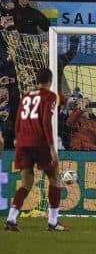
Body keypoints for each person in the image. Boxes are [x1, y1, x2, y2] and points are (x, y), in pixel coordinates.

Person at [5, 69, 67, 232]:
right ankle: (53, 222)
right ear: (50, 81)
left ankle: (11, 218)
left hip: (22, 142)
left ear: (37, 80)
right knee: (55, 178)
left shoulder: (26, 96)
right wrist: (52, 147)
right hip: (39, 142)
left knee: (26, 182)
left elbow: (17, 119)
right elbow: (46, 121)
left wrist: (17, 140)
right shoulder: (50, 96)